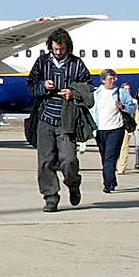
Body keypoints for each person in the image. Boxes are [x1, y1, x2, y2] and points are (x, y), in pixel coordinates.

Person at [26, 27, 92, 212]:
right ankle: (50, 197)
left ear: (67, 47)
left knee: (68, 159)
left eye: (61, 49)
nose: (58, 52)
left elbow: (88, 88)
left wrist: (73, 92)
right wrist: (43, 85)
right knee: (45, 161)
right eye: (55, 49)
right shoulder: (42, 62)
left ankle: (73, 183)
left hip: (66, 118)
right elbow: (30, 85)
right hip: (45, 117)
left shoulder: (77, 64)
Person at [92, 69, 135, 194]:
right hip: (100, 130)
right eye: (110, 79)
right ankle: (112, 180)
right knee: (105, 158)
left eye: (114, 78)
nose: (113, 81)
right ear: (103, 80)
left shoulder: (121, 93)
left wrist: (124, 107)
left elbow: (132, 107)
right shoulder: (96, 93)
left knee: (111, 156)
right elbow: (91, 109)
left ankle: (107, 184)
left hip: (116, 128)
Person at [116, 82, 136, 177]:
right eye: (125, 89)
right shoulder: (113, 96)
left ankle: (121, 167)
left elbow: (134, 110)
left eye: (128, 89)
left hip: (125, 126)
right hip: (112, 125)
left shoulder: (131, 101)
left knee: (124, 147)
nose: (127, 91)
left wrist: (123, 107)